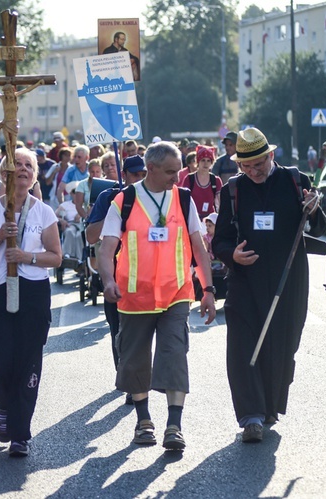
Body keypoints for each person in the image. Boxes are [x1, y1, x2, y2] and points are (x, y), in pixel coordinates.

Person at [97, 142, 216, 452]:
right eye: (169, 172)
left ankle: (174, 425)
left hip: (176, 292)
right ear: (150, 169)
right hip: (134, 295)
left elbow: (198, 248)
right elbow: (106, 247)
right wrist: (108, 280)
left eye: (178, 171)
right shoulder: (124, 201)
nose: (176, 178)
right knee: (135, 359)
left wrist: (208, 290)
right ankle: (143, 421)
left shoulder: (184, 198)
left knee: (174, 353)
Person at [211, 127, 325, 444]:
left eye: (258, 164)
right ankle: (250, 416)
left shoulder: (294, 180)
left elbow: (318, 225)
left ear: (270, 156)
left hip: (289, 279)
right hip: (245, 281)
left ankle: (270, 408)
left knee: (282, 344)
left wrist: (314, 209)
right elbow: (219, 241)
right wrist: (231, 255)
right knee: (242, 346)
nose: (252, 172)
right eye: (245, 166)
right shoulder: (233, 190)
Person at [0, 148, 61, 457]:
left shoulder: (44, 212)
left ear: (34, 175)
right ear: (4, 173)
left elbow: (56, 257)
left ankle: (20, 434)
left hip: (33, 292)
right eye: (17, 165)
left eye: (28, 165)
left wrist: (26, 257)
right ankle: (3, 407)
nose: (22, 169)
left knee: (28, 361)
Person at [85, 155, 147, 405]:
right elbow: (90, 236)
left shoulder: (156, 197)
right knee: (118, 331)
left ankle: (138, 379)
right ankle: (127, 377)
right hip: (115, 275)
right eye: (134, 174)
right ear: (124, 174)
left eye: (143, 173)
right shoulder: (106, 196)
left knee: (141, 332)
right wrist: (113, 209)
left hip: (145, 274)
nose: (140, 179)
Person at [183, 145, 223, 220]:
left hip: (210, 221)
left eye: (208, 160)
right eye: (203, 160)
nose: (206, 163)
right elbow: (184, 201)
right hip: (193, 219)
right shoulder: (189, 179)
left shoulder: (216, 180)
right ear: (198, 161)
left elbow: (221, 203)